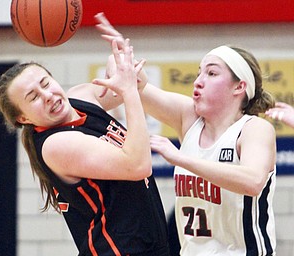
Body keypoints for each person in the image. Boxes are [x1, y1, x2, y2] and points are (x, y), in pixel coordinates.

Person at [95, 13, 277, 255]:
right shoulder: (189, 118)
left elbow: (253, 181)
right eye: (199, 73)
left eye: (211, 74)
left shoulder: (253, 129)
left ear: (239, 86)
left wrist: (181, 159)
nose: (198, 81)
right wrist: (124, 59)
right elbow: (140, 88)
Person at [0, 38, 170, 255]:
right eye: (34, 97)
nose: (47, 96)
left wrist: (120, 59)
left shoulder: (81, 96)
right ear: (23, 118)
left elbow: (137, 82)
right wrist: (129, 90)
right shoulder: (55, 145)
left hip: (148, 243)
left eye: (46, 83)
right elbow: (138, 166)